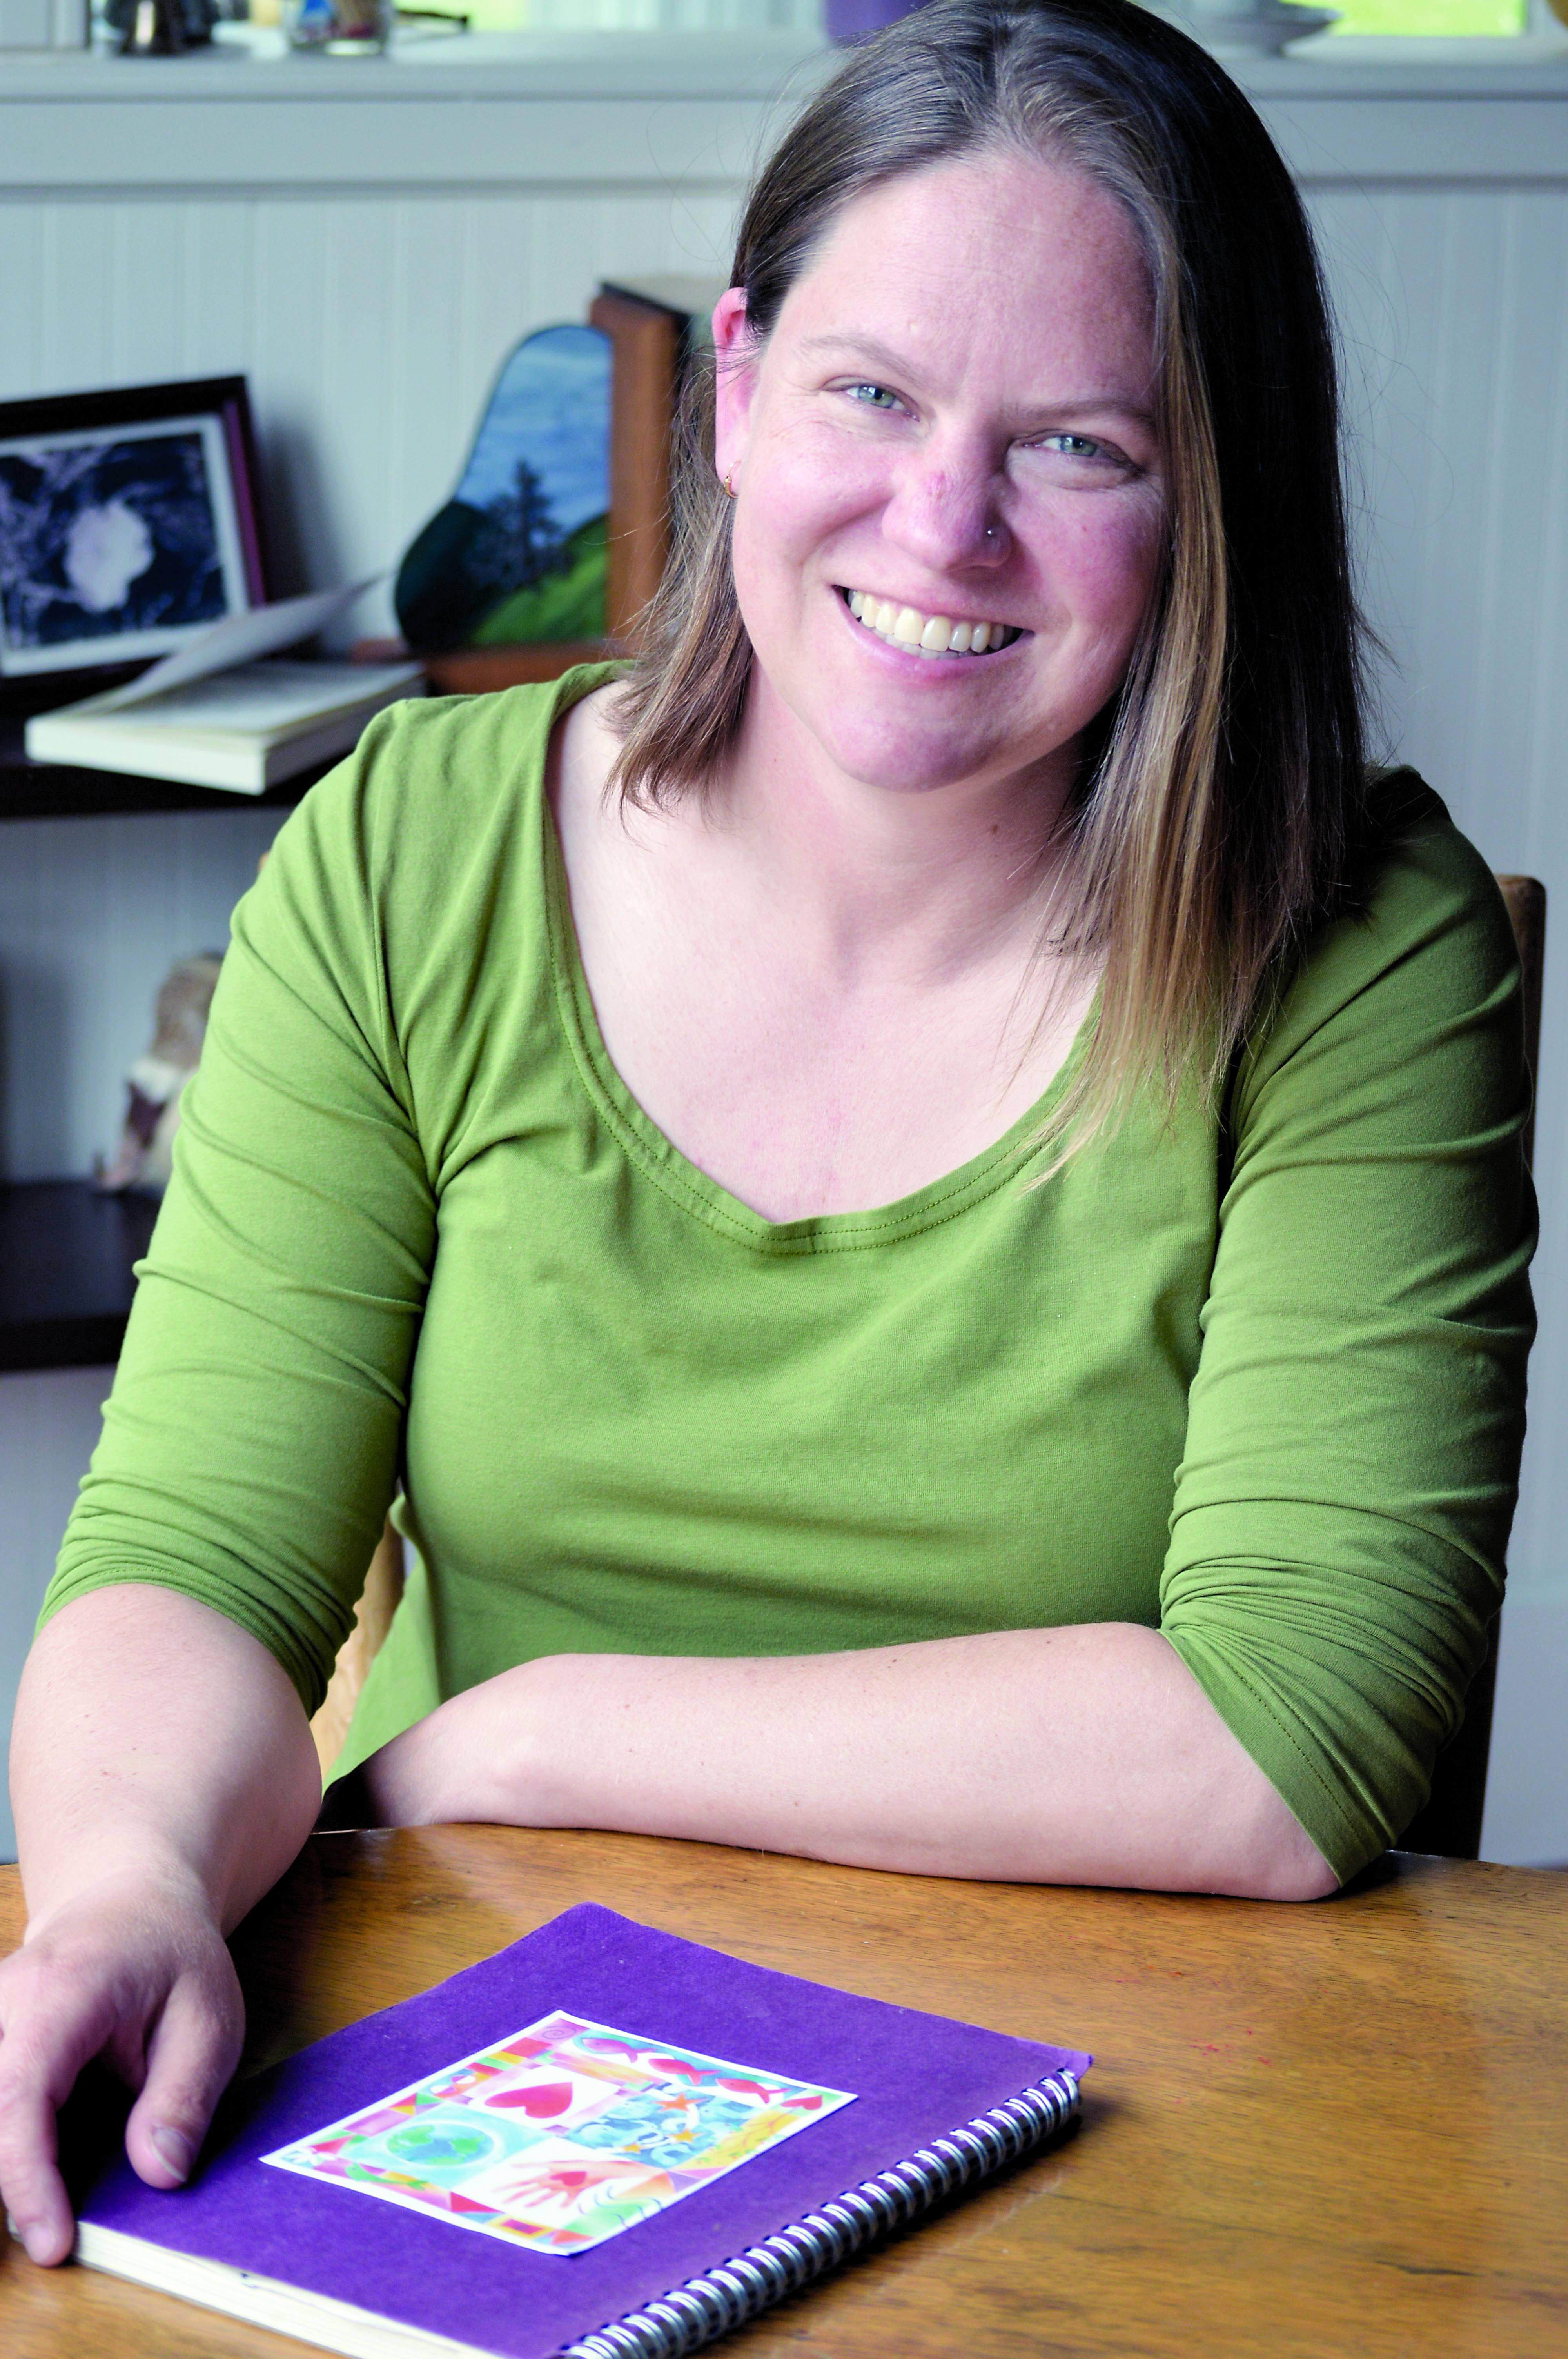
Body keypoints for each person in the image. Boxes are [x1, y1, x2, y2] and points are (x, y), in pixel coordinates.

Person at [0, 0, 1534, 2271]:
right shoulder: (410, 861)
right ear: (736, 386)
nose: (943, 521)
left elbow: (1281, 1740)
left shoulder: (1360, 941)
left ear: (1218, 492)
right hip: (463, 2082)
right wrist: (126, 1880)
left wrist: (528, 1730)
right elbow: (195, 1554)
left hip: (1136, 2115)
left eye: (1081, 445)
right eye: (871, 393)